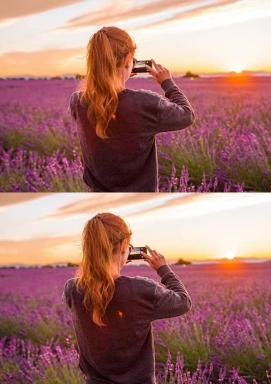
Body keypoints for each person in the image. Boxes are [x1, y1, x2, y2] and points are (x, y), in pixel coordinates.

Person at [64, 212, 192, 383]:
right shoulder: (141, 290)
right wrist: (163, 269)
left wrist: (115, 265)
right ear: (125, 245)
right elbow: (183, 302)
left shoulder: (72, 289)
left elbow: (103, 289)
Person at [69, 26, 196, 192]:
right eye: (132, 59)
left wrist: (120, 77)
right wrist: (167, 83)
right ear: (128, 60)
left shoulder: (77, 101)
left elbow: (109, 103)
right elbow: (187, 115)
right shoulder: (144, 103)